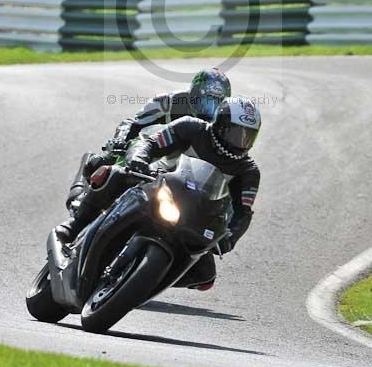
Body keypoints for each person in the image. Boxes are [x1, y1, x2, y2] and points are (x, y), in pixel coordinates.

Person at [57, 97, 262, 290]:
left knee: (205, 274)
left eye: (248, 136)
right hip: (155, 182)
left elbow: (242, 212)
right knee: (113, 175)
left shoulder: (248, 171)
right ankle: (75, 225)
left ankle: (143, 283)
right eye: (237, 133)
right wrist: (139, 158)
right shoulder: (191, 127)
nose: (241, 142)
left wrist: (230, 237)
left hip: (193, 213)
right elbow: (150, 142)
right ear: (221, 124)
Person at [65, 68, 232, 210]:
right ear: (194, 93)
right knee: (100, 161)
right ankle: (80, 200)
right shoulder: (168, 102)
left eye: (217, 102)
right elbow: (134, 122)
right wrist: (121, 139)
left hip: (182, 172)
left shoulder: (222, 125)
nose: (210, 108)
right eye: (205, 100)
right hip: (146, 154)